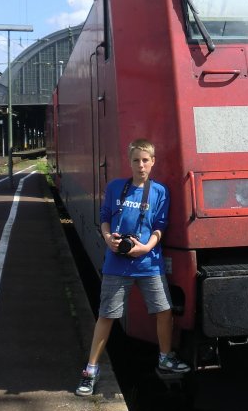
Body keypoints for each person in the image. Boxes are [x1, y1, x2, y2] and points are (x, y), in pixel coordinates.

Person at [75, 138, 190, 396]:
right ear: (129, 162)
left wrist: (146, 247)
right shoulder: (116, 187)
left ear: (153, 162)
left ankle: (164, 356)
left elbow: (160, 225)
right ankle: (91, 369)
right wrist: (107, 238)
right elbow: (105, 218)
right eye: (136, 160)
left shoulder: (160, 191)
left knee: (164, 311)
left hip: (149, 262)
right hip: (117, 263)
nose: (141, 165)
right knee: (107, 315)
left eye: (145, 160)